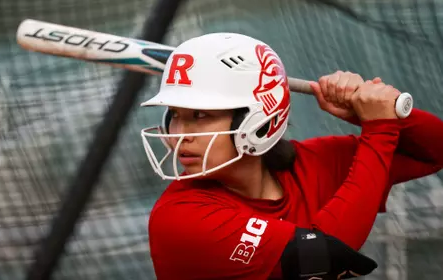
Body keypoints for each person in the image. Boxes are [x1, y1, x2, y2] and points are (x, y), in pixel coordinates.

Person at [139, 33, 443, 280]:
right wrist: (378, 128)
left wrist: (363, 114)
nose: (180, 133)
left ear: (259, 120)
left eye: (200, 115)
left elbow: (434, 150)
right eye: (175, 115)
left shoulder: (310, 164)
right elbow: (320, 259)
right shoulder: (178, 217)